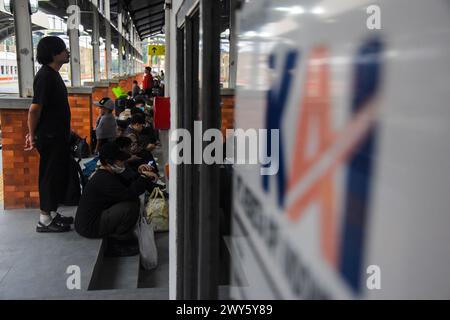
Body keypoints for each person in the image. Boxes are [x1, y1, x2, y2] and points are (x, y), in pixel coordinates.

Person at [25, 36, 73, 233]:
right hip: (50, 136)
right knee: (49, 175)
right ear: (54, 54)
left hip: (57, 135)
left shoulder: (53, 74)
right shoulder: (45, 76)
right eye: (64, 50)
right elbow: (34, 110)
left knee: (56, 174)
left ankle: (51, 213)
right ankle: (44, 219)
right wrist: (32, 134)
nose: (67, 52)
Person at [74, 142, 158, 256]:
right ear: (109, 162)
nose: (123, 163)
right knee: (130, 206)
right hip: (90, 226)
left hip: (93, 219)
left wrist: (140, 173)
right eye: (120, 160)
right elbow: (130, 193)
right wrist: (143, 177)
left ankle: (120, 237)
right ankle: (116, 244)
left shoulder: (107, 172)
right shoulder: (103, 179)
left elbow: (128, 183)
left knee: (131, 201)